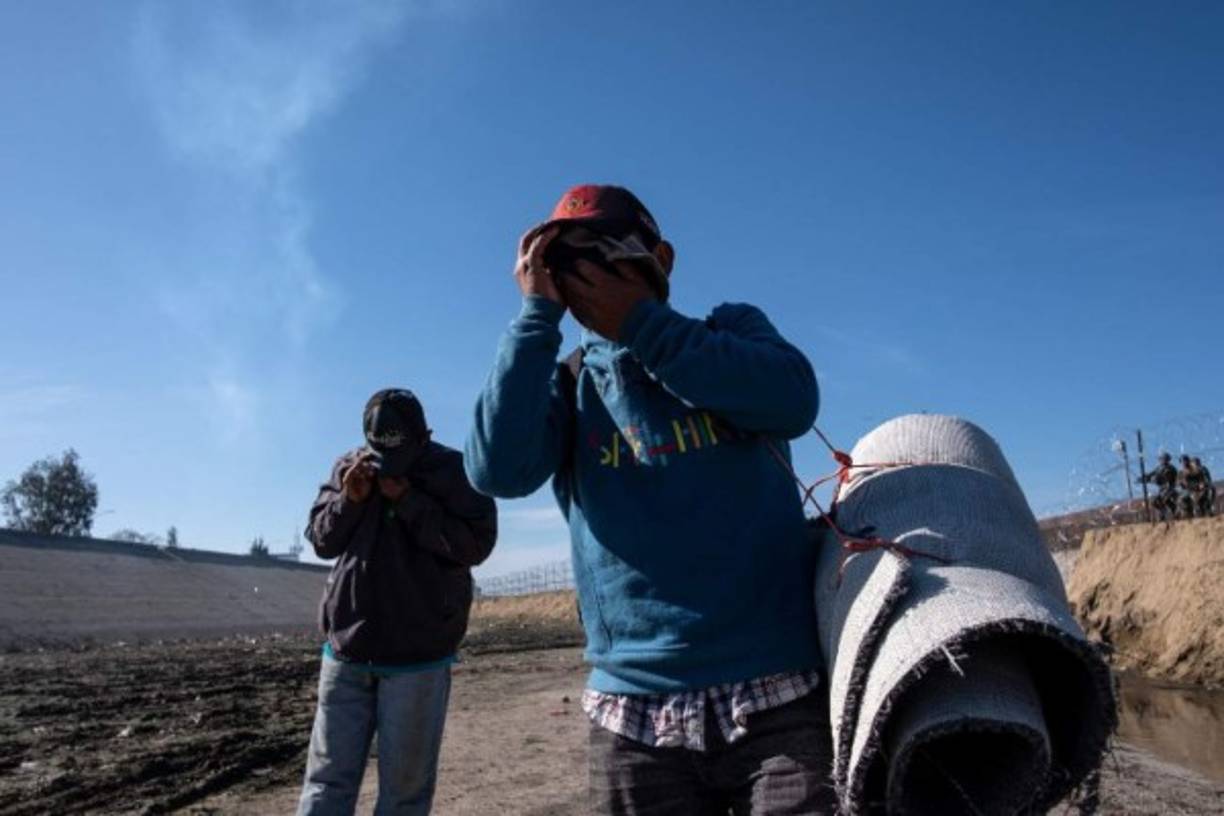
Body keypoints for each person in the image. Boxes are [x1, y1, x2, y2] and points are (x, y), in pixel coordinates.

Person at [465, 185, 834, 814]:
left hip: (778, 692)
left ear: (660, 259)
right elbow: (497, 470)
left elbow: (792, 402)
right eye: (567, 259)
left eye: (607, 251)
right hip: (632, 709)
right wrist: (535, 318)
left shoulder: (731, 330)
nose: (589, 271)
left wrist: (641, 325)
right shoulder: (567, 383)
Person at [298, 388, 497, 816]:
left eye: (399, 455)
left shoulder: (454, 471)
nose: (386, 466)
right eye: (379, 454)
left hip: (418, 662)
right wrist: (348, 501)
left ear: (425, 437)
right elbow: (321, 541)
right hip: (346, 655)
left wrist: (409, 501)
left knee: (404, 797)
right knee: (325, 784)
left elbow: (476, 545)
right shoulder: (350, 467)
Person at [1140, 452, 1178, 522]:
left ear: (1168, 460)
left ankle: (1173, 511)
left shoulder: (1171, 469)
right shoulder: (1159, 468)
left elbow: (1167, 478)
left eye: (1164, 459)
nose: (1162, 461)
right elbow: (1152, 473)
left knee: (1164, 500)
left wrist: (1153, 479)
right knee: (1154, 501)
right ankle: (1163, 512)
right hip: (1162, 489)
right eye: (1161, 459)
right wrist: (1145, 477)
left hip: (1170, 488)